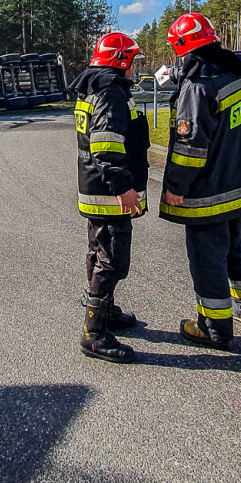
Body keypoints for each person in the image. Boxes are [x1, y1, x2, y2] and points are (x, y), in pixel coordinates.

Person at [158, 12, 241, 350]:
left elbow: (191, 148)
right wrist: (173, 74)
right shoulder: (230, 72)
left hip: (209, 192)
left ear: (182, 47)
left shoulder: (197, 87)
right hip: (238, 184)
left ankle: (213, 328)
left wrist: (176, 187)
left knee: (207, 260)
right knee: (235, 247)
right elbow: (196, 70)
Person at [68, 32, 150, 364]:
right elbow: (105, 146)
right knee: (111, 259)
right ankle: (95, 334)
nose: (134, 67)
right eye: (133, 60)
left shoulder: (93, 87)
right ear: (122, 61)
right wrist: (123, 188)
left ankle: (107, 311)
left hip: (94, 189)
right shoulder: (110, 92)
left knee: (98, 251)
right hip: (109, 193)